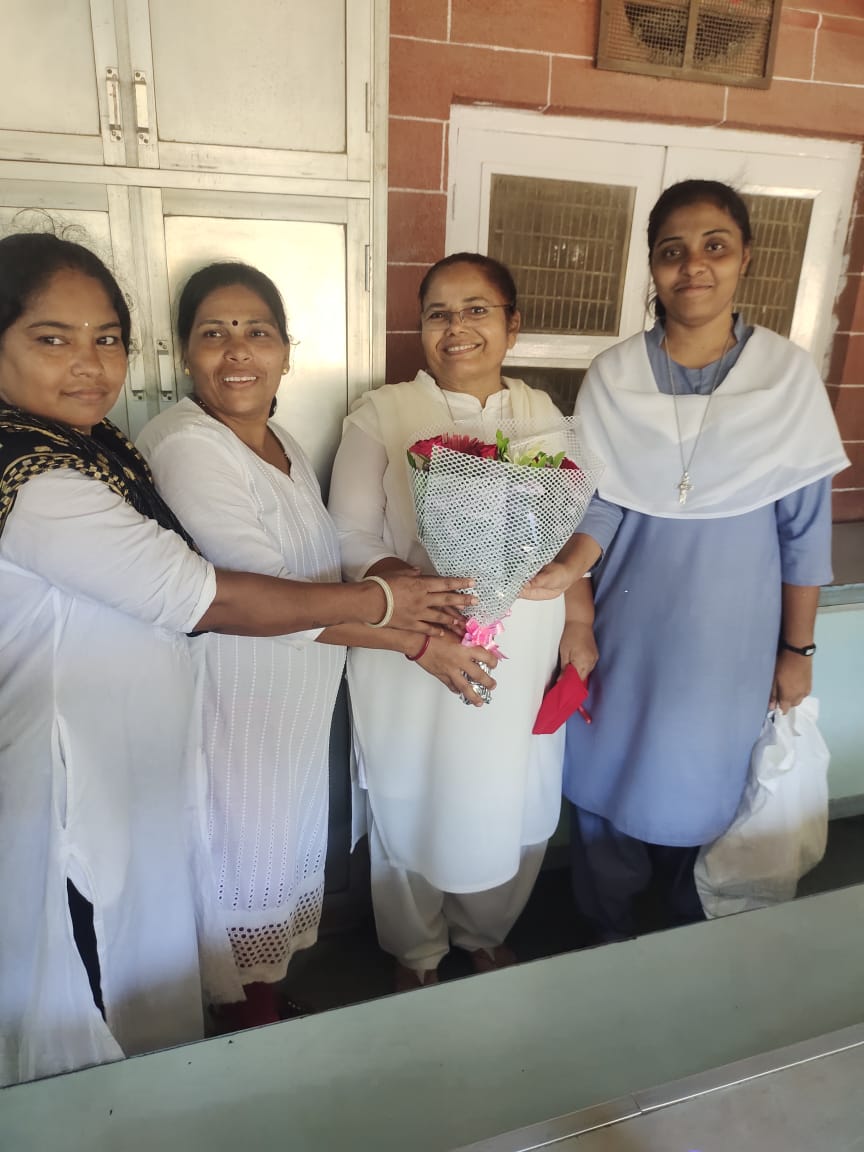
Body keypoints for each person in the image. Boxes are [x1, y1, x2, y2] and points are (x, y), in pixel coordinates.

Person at [0, 233, 475, 1084]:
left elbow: (298, 568)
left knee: (166, 946)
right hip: (80, 775)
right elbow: (210, 596)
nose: (88, 364)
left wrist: (396, 601)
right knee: (98, 975)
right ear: (185, 353)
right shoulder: (39, 478)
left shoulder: (96, 447)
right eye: (51, 338)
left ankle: (208, 1064)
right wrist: (394, 616)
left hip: (155, 749)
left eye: (106, 337)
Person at [136, 262, 495, 1028]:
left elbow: (322, 566)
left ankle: (256, 997)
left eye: (257, 331)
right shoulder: (187, 446)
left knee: (272, 864)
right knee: (235, 867)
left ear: (285, 351)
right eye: (214, 333)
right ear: (184, 352)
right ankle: (242, 1027)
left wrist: (407, 596)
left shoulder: (280, 440)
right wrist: (411, 640)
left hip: (286, 705)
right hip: (230, 702)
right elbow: (254, 600)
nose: (238, 350)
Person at [563, 180, 849, 942]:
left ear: (745, 257)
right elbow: (591, 503)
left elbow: (804, 532)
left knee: (714, 786)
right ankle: (605, 935)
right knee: (608, 775)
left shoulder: (786, 378)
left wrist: (797, 652)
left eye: (714, 246)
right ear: (652, 267)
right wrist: (573, 606)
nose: (694, 265)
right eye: (673, 251)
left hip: (732, 635)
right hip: (625, 627)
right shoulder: (613, 378)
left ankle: (697, 940)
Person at [328, 253, 603, 989]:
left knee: (510, 785)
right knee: (413, 784)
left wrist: (579, 621)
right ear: (421, 327)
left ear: (513, 324)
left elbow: (571, 535)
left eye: (477, 309)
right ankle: (415, 949)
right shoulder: (381, 413)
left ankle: (485, 931)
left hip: (525, 641)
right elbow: (351, 535)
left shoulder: (547, 417)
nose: (457, 327)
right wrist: (419, 596)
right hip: (413, 641)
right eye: (439, 313)